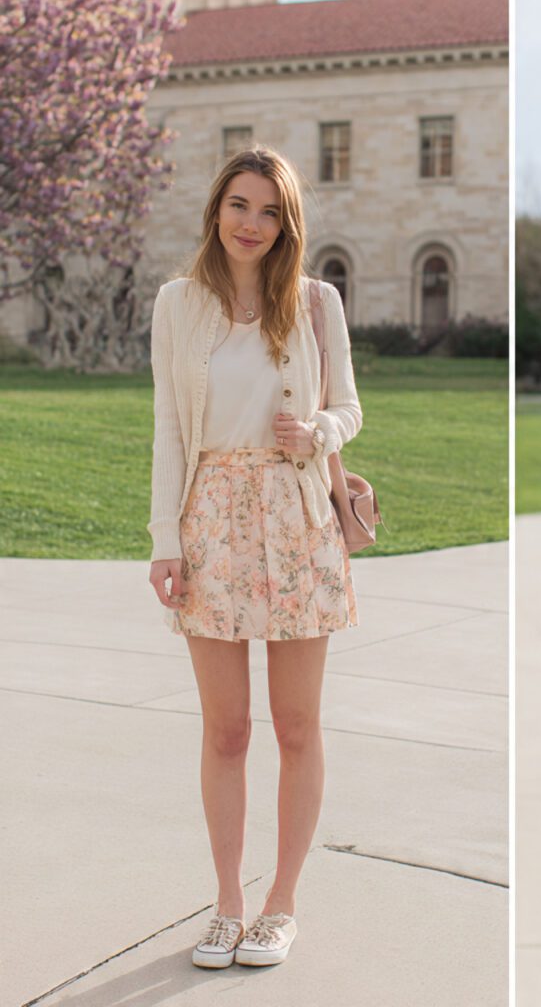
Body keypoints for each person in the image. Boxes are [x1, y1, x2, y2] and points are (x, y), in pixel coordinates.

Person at [146, 145, 362, 969]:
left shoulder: (314, 302)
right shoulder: (177, 304)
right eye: (241, 205)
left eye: (270, 211)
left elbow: (348, 404)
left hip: (299, 518)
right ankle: (228, 903)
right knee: (227, 729)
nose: (253, 224)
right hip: (212, 524)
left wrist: (321, 433)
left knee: (298, 725)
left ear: (288, 223)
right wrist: (166, 539)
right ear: (216, 210)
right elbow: (169, 425)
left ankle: (282, 904)